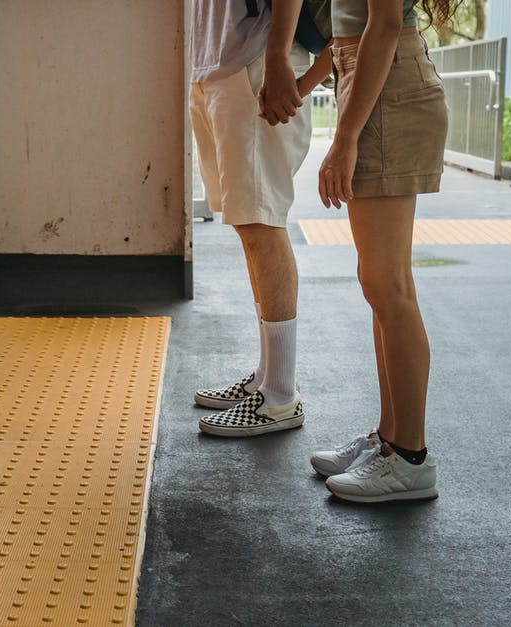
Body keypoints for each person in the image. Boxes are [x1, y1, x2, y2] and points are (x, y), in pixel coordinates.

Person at [297, 0, 459, 502]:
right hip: (372, 77)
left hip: (387, 84)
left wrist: (344, 138)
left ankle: (410, 457)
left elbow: (385, 24)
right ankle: (391, 440)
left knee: (387, 285)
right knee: (381, 284)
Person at [192, 1, 331, 438]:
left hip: (255, 61)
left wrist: (275, 59)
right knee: (249, 226)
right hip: (217, 66)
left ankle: (279, 397)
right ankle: (266, 377)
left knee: (262, 223)